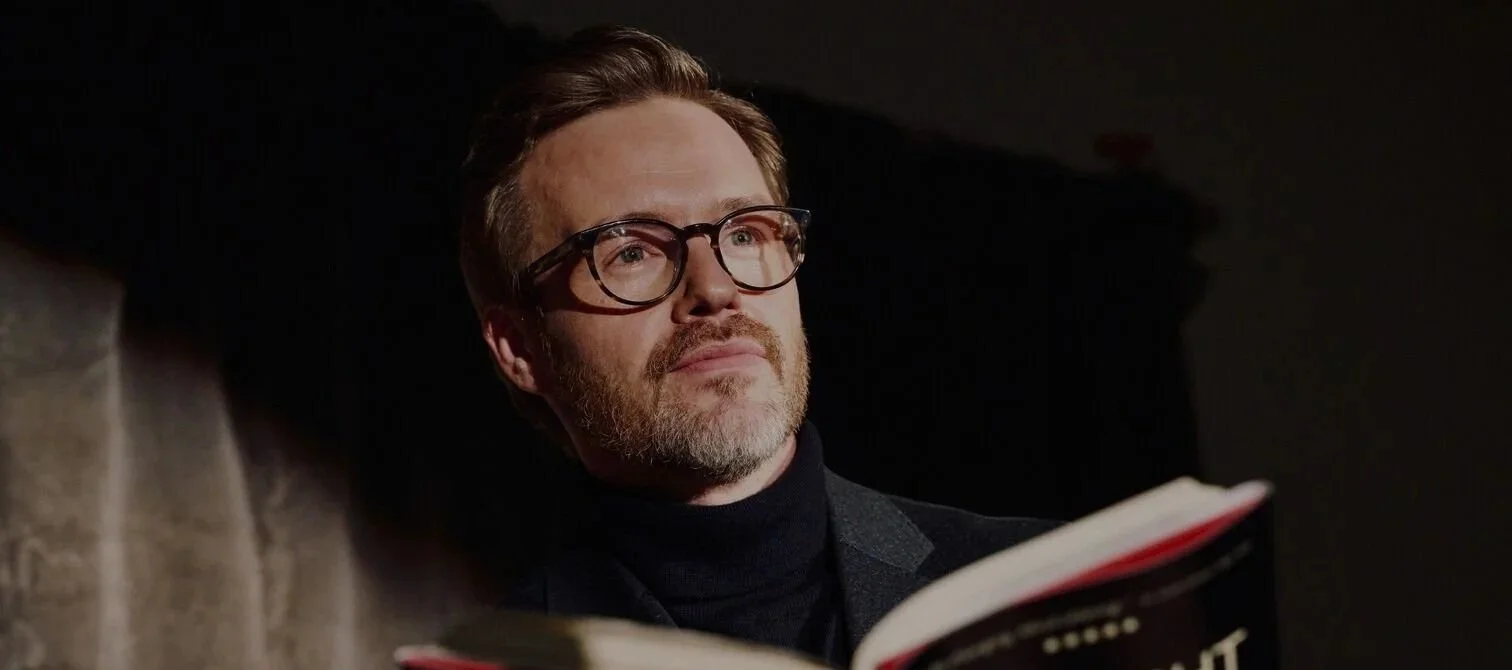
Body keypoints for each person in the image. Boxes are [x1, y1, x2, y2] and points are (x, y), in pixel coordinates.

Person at [454, 25, 1057, 666]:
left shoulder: (1058, 594)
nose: (714, 288)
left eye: (743, 233)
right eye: (630, 250)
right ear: (519, 347)